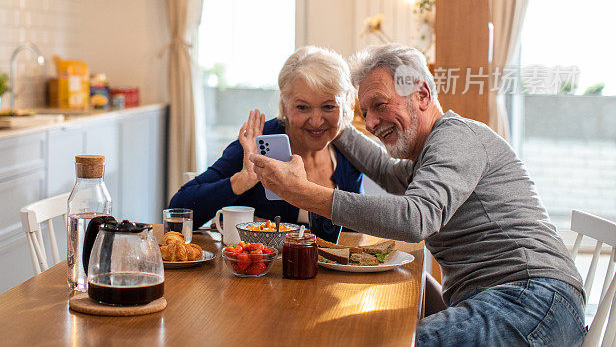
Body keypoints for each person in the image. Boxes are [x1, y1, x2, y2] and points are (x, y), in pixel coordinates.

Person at [250, 44, 586, 347]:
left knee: (387, 340)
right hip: (510, 299)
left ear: (422, 94)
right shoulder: (427, 157)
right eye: (364, 112)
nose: (370, 121)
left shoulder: (457, 139)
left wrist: (305, 194)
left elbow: (415, 219)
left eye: (379, 105)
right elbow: (382, 168)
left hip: (534, 299)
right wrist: (329, 118)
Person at [168, 46, 364, 242]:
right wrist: (242, 180)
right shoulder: (258, 144)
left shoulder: (348, 151)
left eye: (328, 106)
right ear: (285, 106)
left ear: (345, 105)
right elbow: (177, 214)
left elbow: (354, 231)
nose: (316, 121)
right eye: (302, 107)